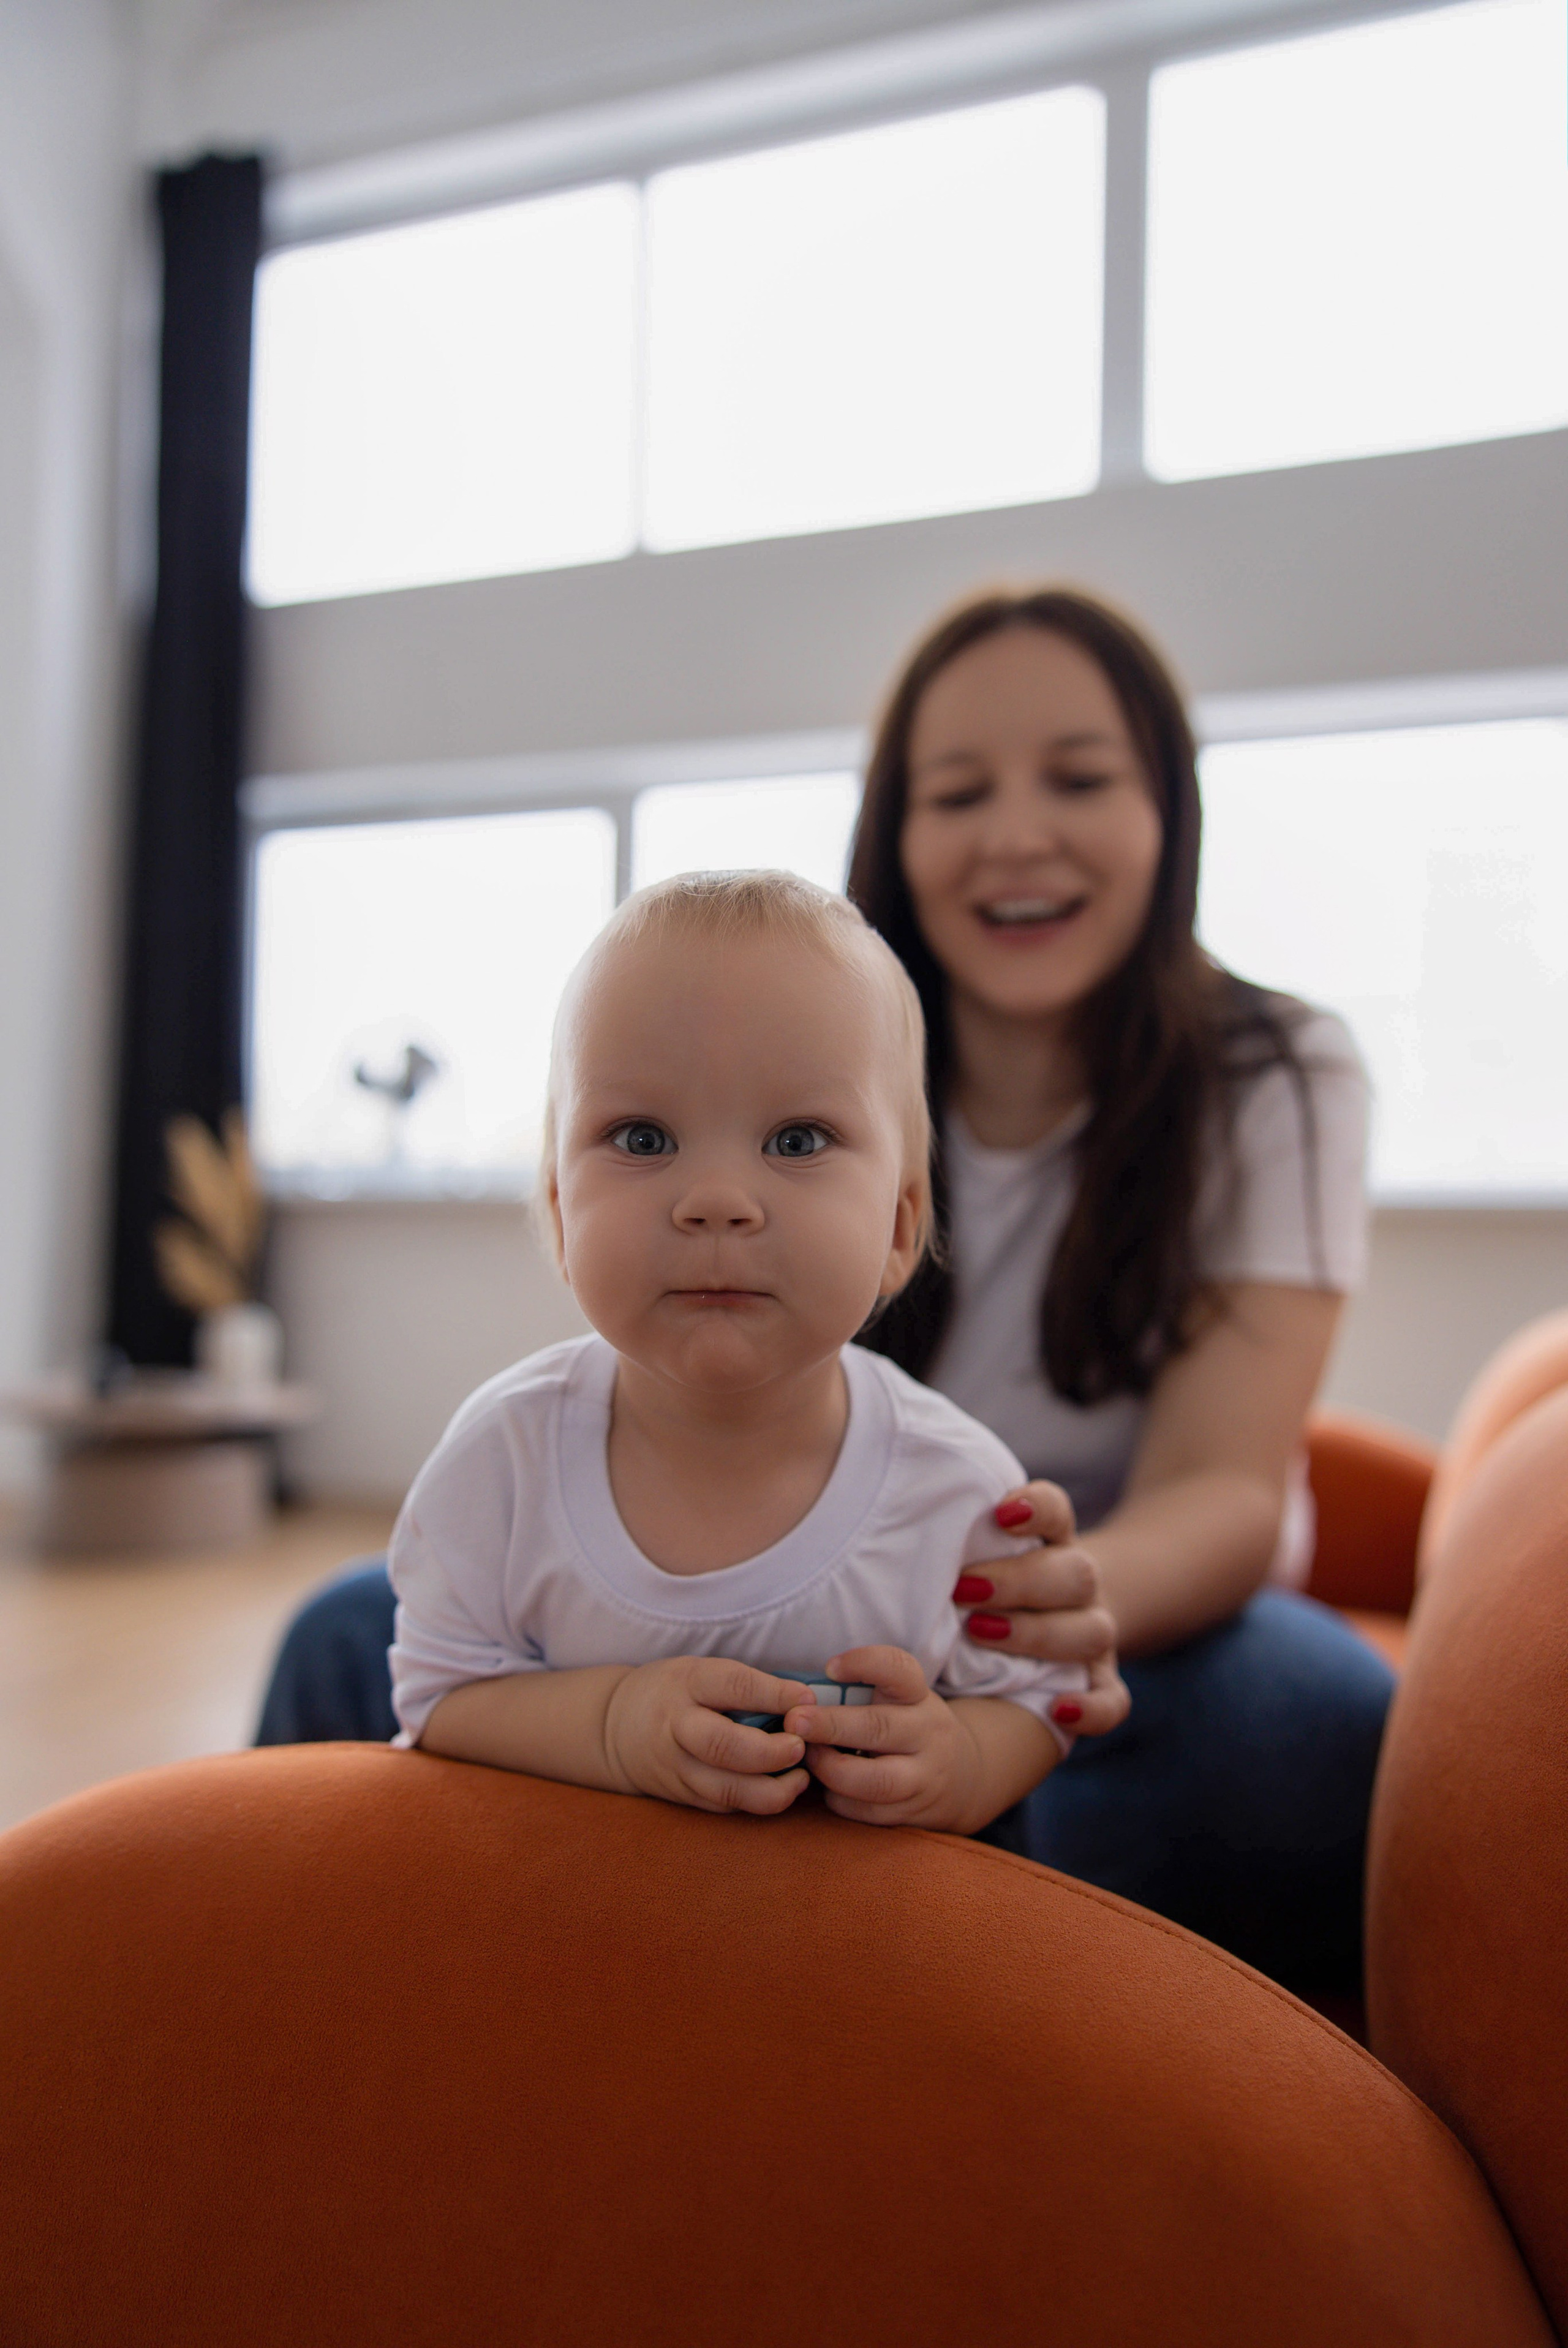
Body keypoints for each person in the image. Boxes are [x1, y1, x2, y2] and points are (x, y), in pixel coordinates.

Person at [258, 584, 1391, 1991]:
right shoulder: (812, 1040)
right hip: (783, 1561)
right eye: (957, 790)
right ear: (896, 834)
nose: (1016, 833)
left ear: (1166, 807)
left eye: (1079, 779)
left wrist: (1027, 1626)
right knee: (336, 1636)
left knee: (1315, 1728)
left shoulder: (1269, 1071)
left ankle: (966, 1947)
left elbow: (1227, 1484)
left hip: (1088, 1605)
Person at [388, 869, 1087, 1832]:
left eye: (797, 1140)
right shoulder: (499, 1460)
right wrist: (610, 1725)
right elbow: (437, 1698)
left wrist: (962, 1758)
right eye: (642, 1135)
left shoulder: (955, 1486)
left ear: (897, 1224)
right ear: (558, 1211)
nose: (716, 1197)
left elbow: (1044, 1694)